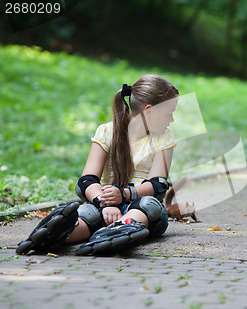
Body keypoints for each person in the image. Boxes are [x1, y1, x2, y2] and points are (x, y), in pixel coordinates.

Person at [17, 74, 179, 255]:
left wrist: (124, 195)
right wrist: (105, 204)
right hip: (103, 205)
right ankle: (58, 235)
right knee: (87, 213)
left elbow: (157, 185)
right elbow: (86, 181)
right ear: (149, 111)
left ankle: (118, 230)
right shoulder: (107, 132)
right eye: (169, 114)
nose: (171, 120)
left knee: (150, 205)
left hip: (141, 208)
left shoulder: (164, 137)